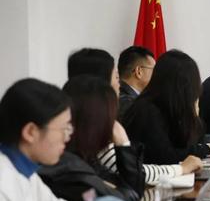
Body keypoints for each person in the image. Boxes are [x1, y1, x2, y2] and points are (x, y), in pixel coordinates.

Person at [68, 47, 201, 184]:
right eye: (116, 77)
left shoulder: (89, 126)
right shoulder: (93, 133)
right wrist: (181, 169)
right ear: (99, 85)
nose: (119, 84)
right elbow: (134, 174)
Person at [38, 76, 145, 201]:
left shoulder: (85, 157)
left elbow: (131, 194)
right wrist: (123, 144)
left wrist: (124, 145)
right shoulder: (67, 167)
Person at [124, 50, 210, 164]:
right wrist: (208, 148)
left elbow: (188, 142)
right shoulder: (148, 110)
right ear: (180, 85)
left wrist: (194, 117)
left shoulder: (166, 107)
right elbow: (166, 156)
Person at [117, 46, 155, 120]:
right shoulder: (129, 104)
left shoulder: (116, 95)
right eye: (154, 69)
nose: (156, 74)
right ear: (139, 71)